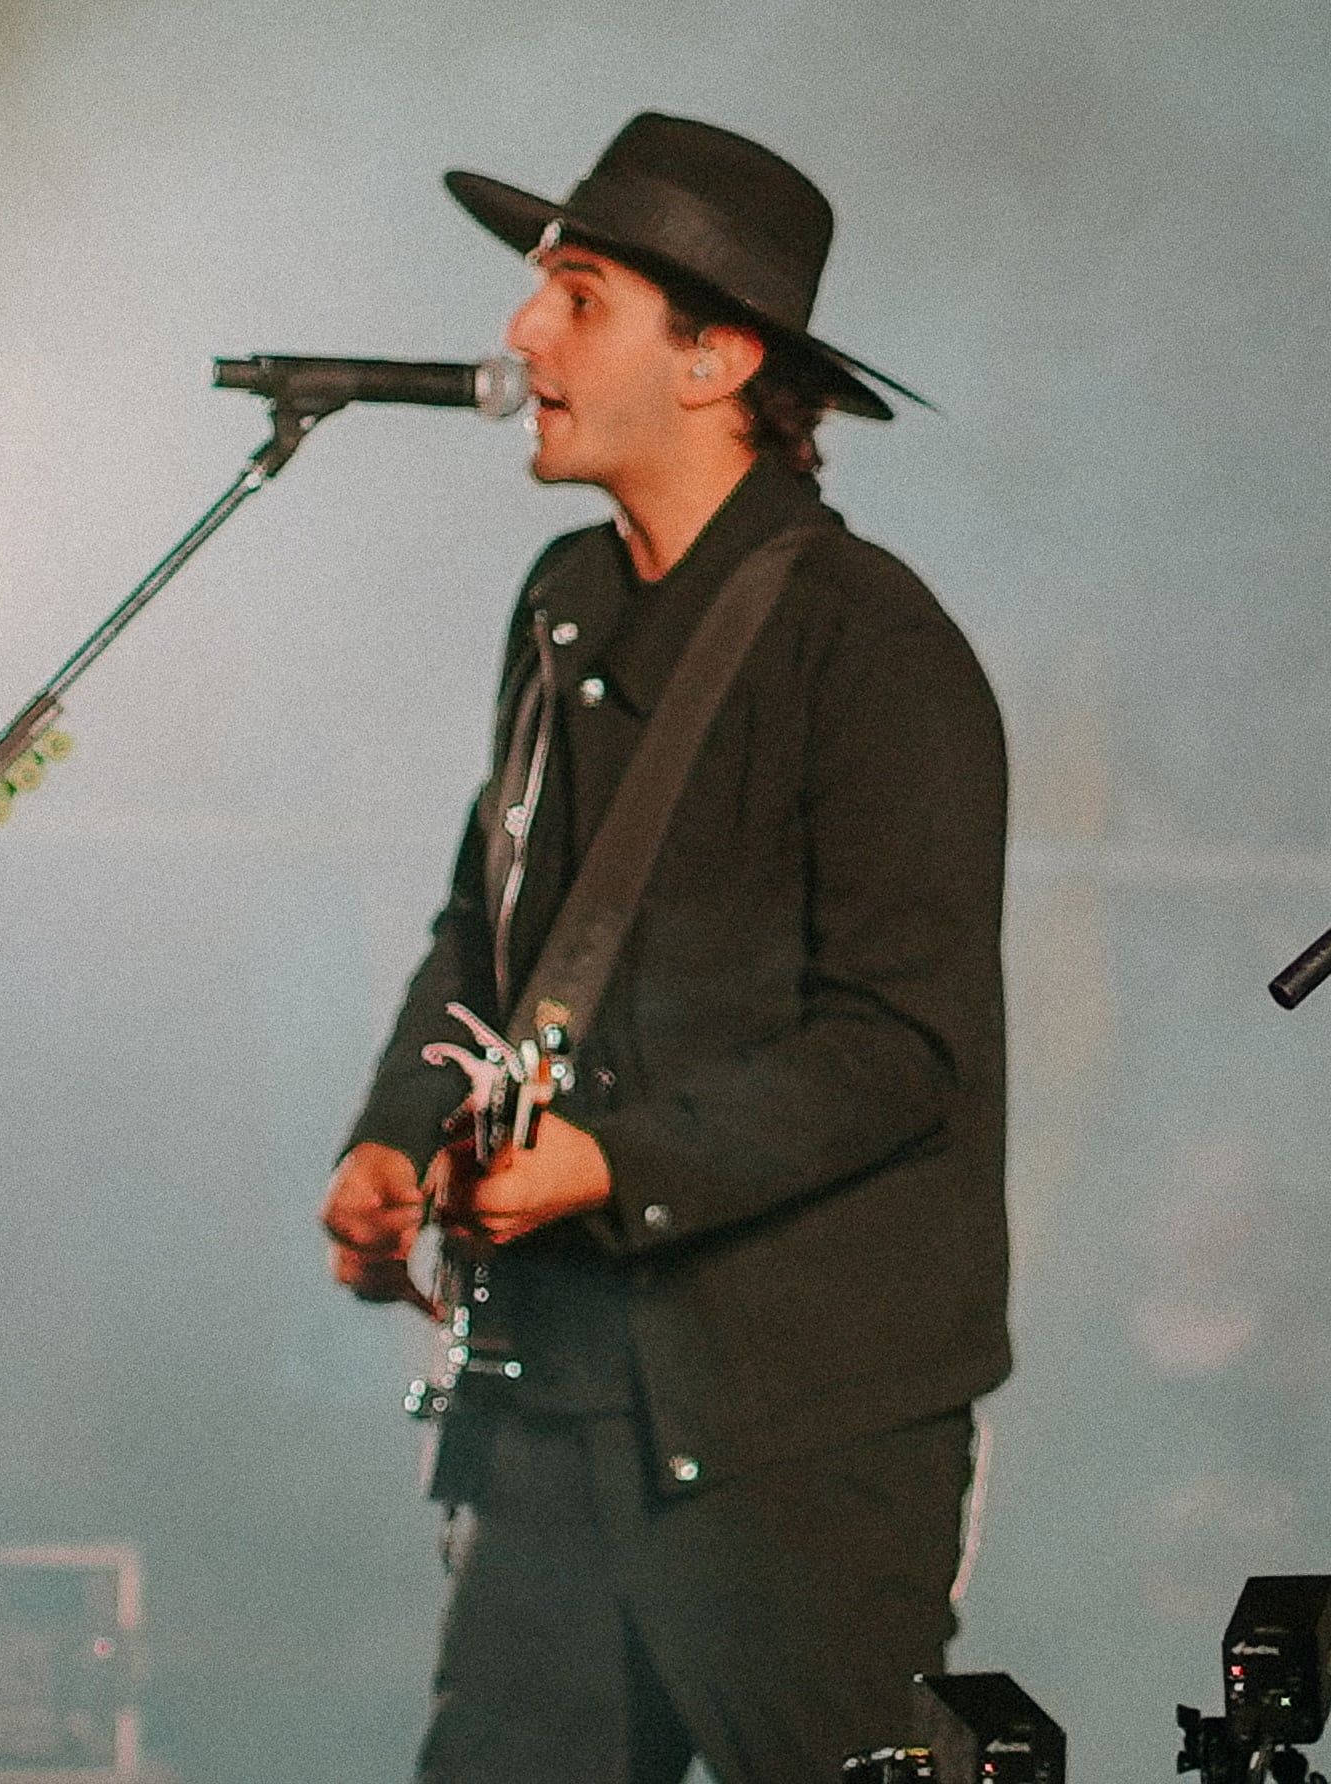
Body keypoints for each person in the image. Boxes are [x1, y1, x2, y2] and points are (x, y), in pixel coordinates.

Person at [317, 113, 1010, 1784]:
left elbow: (900, 1052)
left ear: (715, 356)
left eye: (576, 297)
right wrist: (393, 1139)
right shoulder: (563, 604)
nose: (522, 337)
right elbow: (485, 940)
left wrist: (607, 1165)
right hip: (552, 1408)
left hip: (795, 1429)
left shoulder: (874, 647)